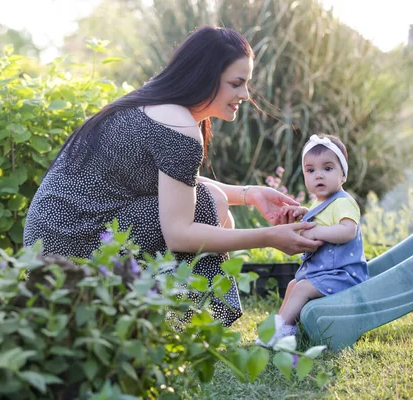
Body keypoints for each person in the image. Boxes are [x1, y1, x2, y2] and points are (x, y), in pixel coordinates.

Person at [23, 25, 322, 327]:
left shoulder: (156, 105)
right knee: (209, 205)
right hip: (73, 243)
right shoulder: (176, 122)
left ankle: (166, 317)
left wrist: (248, 194)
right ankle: (184, 323)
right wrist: (269, 238)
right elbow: (179, 233)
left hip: (50, 243)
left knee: (214, 205)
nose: (245, 94)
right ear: (204, 76)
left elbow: (177, 184)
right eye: (236, 83)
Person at [256, 134, 369, 346]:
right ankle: (280, 326)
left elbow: (347, 231)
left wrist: (315, 231)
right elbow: (325, 219)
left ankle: (281, 333)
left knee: (302, 288)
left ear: (343, 175)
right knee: (293, 285)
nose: (319, 176)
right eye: (311, 170)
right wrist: (305, 213)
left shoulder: (344, 202)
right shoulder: (321, 203)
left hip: (344, 276)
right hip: (326, 274)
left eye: (327, 168)